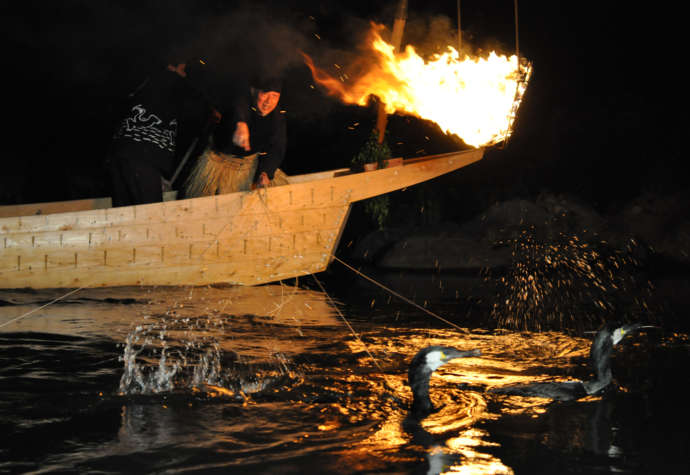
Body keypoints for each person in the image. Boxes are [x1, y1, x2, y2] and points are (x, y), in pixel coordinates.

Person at [106, 59, 217, 206]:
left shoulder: (148, 82)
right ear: (171, 66)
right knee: (152, 213)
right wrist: (212, 112)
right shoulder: (172, 80)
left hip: (120, 156)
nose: (184, 74)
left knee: (125, 213)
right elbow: (196, 108)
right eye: (182, 69)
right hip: (143, 156)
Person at [184, 76, 288, 197]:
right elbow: (239, 104)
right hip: (218, 163)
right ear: (254, 91)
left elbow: (277, 147)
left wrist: (266, 172)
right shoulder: (241, 101)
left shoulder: (277, 118)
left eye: (275, 96)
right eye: (265, 94)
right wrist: (240, 123)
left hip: (247, 167)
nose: (269, 102)